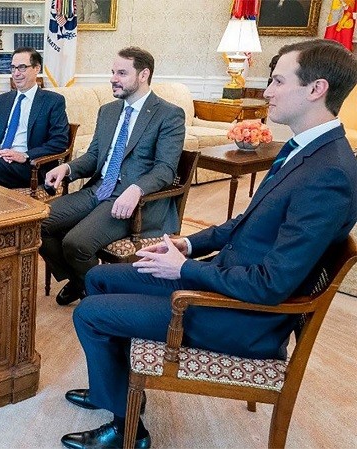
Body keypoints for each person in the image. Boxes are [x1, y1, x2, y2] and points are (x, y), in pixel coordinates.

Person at [62, 39, 357, 449]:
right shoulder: (307, 151)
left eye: (277, 81)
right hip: (223, 278)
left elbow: (271, 284)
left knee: (90, 314)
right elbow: (245, 224)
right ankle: (116, 390)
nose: (267, 92)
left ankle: (127, 429)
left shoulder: (331, 173)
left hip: (243, 316)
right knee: (99, 279)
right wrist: (186, 244)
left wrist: (184, 270)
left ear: (316, 89)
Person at [40, 47, 185, 306]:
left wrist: (137, 189)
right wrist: (68, 169)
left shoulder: (168, 114)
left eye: (121, 73)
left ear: (143, 75)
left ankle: (101, 300)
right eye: (112, 72)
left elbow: (165, 169)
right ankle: (81, 282)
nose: (113, 79)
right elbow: (95, 156)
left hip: (135, 204)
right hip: (99, 190)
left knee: (76, 243)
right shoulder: (108, 111)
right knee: (38, 223)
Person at [0, 47, 69, 188]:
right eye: (13, 68)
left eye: (22, 67)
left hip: (30, 167)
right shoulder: (2, 100)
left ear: (37, 68)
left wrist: (25, 155)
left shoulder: (52, 101)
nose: (16, 73)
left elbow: (59, 141)